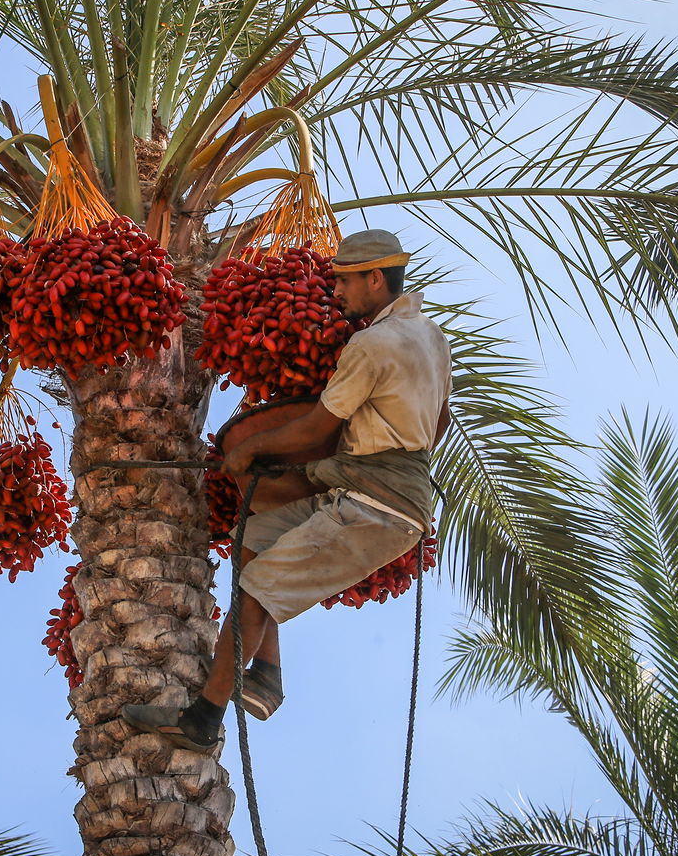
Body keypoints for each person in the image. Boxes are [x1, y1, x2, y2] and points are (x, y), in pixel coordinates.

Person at [122, 229, 453, 752]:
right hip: (367, 488)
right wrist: (382, 436)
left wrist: (248, 451)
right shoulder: (433, 340)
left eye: (344, 282)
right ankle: (267, 672)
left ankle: (202, 721)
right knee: (253, 533)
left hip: (377, 507)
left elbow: (314, 430)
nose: (336, 293)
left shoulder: (370, 345)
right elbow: (438, 423)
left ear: (375, 278)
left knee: (258, 586)